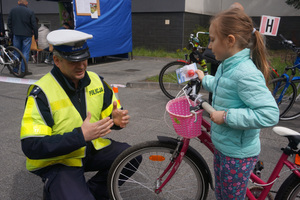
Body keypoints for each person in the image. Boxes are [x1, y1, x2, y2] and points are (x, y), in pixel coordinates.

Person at [20, 29, 133, 200]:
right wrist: (79, 136)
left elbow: (110, 114)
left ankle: (89, 193)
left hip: (89, 149)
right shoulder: (41, 92)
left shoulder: (96, 81)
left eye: (84, 58)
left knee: (131, 156)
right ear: (57, 60)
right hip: (58, 160)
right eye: (73, 61)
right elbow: (31, 146)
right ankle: (58, 188)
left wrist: (115, 121)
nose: (81, 66)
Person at [196, 8, 279, 199]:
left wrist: (226, 116)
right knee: (223, 195)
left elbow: (269, 114)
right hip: (225, 147)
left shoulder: (244, 73)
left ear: (230, 40)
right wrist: (204, 78)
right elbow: (223, 85)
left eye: (213, 39)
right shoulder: (228, 65)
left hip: (236, 155)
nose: (210, 46)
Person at [7, 0, 38, 75]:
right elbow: (34, 25)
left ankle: (15, 69)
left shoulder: (12, 10)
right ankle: (24, 70)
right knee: (25, 53)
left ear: (18, 2)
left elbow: (9, 23)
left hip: (16, 34)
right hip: (27, 35)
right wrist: (36, 36)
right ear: (26, 3)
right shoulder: (30, 11)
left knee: (16, 52)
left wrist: (13, 31)